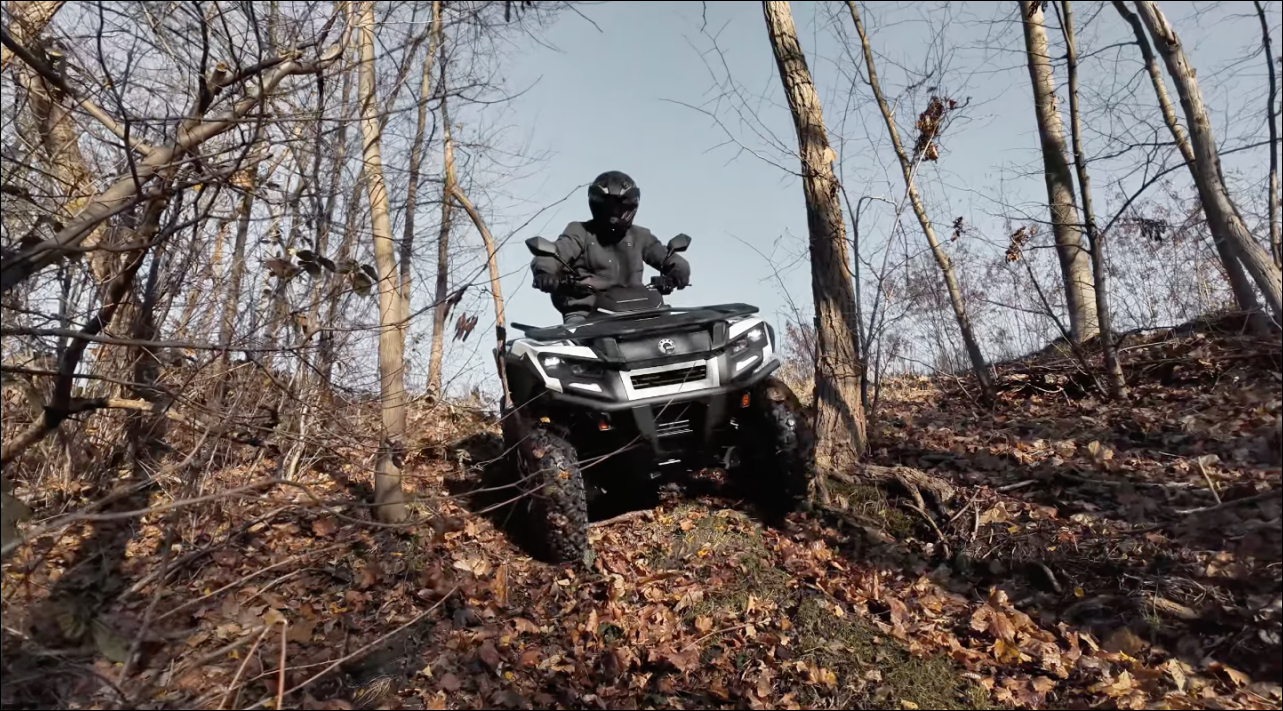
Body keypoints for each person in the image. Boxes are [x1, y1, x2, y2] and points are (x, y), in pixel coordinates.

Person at [530, 171, 691, 324]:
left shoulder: (640, 235)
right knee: (572, 344)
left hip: (640, 309)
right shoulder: (580, 232)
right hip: (588, 313)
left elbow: (666, 256)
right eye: (607, 206)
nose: (613, 213)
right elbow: (555, 252)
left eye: (620, 206)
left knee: (677, 336)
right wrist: (546, 273)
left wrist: (677, 272)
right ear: (596, 205)